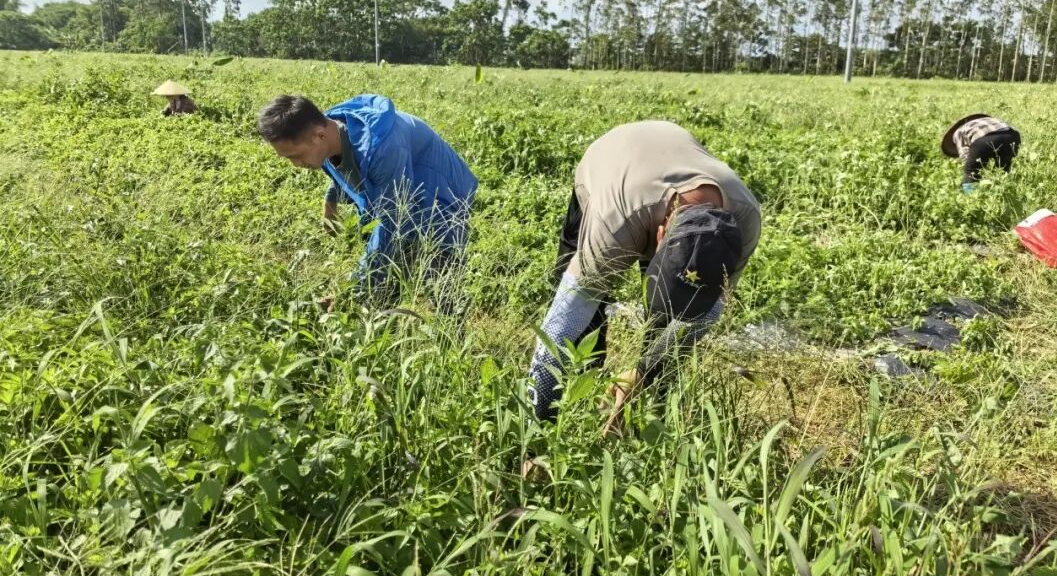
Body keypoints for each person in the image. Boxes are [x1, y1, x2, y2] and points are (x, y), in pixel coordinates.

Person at [526, 120, 761, 434]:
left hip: (664, 156)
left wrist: (641, 373)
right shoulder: (613, 225)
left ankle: (641, 414)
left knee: (670, 322)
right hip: (610, 162)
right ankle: (582, 394)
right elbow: (560, 325)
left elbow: (707, 311)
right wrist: (536, 429)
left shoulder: (743, 223)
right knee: (585, 321)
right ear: (660, 235)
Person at [256, 93, 478, 308]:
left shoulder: (383, 148)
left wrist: (351, 290)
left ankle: (449, 336)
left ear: (319, 136)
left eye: (296, 156)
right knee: (384, 280)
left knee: (440, 281)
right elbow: (350, 167)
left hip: (440, 193)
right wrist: (331, 200)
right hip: (398, 190)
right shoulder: (330, 132)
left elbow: (391, 224)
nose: (296, 164)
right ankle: (384, 323)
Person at [941, 113, 1021, 193]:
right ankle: (1005, 192)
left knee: (971, 172)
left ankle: (971, 198)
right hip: (1012, 135)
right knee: (1002, 169)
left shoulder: (957, 132)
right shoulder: (984, 121)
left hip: (984, 139)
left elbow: (965, 155)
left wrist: (968, 170)